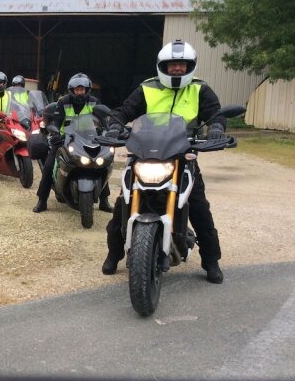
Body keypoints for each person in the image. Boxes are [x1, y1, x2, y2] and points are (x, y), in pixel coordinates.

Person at [101, 39, 227, 284]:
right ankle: (113, 254)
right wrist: (116, 124)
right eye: (172, 65)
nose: (177, 69)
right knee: (122, 206)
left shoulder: (200, 89)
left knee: (199, 208)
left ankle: (211, 261)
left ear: (190, 66)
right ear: (163, 66)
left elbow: (215, 114)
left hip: (182, 155)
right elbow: (125, 110)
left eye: (182, 65)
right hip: (145, 152)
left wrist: (217, 129)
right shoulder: (147, 88)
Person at [32, 73, 113, 213]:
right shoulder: (63, 102)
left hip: (91, 138)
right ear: (72, 90)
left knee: (102, 164)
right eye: (77, 90)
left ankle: (104, 201)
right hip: (66, 138)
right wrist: (55, 132)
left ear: (87, 89)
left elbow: (103, 123)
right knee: (49, 166)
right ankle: (42, 200)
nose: (80, 92)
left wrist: (109, 133)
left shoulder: (94, 102)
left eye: (82, 89)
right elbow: (56, 122)